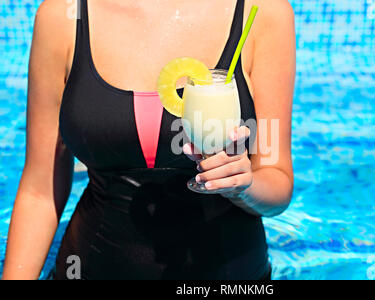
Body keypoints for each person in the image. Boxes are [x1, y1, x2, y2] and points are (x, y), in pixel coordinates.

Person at [2, 0, 295, 280]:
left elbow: (276, 179)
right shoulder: (63, 17)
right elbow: (40, 191)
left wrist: (242, 186)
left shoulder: (264, 13)